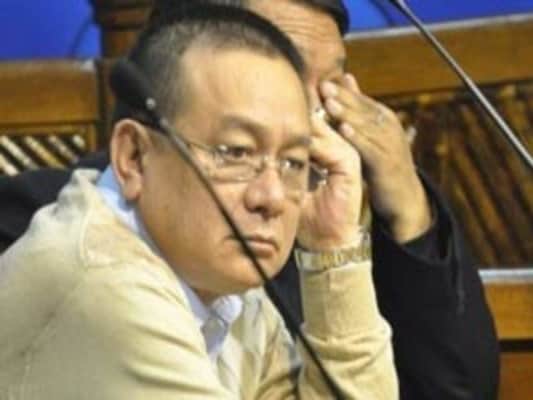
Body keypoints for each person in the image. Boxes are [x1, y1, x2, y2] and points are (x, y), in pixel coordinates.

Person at [0, 1, 499, 399]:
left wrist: (333, 251)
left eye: (293, 160)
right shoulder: (105, 286)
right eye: (235, 152)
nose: (271, 197)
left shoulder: (222, 277)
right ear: (133, 156)